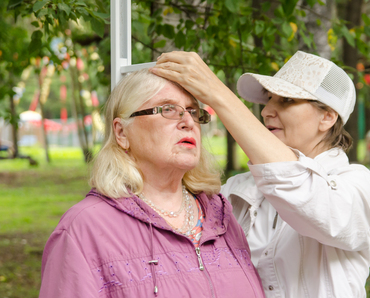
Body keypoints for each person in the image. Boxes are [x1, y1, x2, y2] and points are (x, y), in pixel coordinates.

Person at [151, 51, 370, 297]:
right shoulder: (238, 188)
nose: (266, 111)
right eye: (269, 99)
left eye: (286, 101)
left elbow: (301, 190)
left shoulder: (357, 185)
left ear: (327, 117)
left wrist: (217, 94)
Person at [39, 69, 265, 298]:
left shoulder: (221, 215)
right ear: (121, 132)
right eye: (168, 109)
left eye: (194, 112)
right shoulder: (84, 228)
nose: (188, 121)